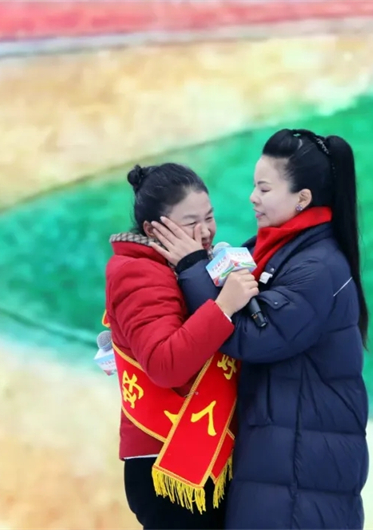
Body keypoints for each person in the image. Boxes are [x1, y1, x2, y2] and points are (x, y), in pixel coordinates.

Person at [149, 129, 370, 529]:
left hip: (300, 470)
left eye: (264, 189)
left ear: (302, 199)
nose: (252, 197)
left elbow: (254, 336)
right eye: (254, 186)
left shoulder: (317, 268)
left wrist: (192, 267)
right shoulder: (273, 249)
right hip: (281, 454)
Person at [103, 162, 258, 530]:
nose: (205, 231)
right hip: (167, 462)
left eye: (209, 217)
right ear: (152, 229)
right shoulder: (138, 272)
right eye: (190, 223)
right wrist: (223, 307)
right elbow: (165, 363)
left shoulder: (193, 264)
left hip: (206, 455)